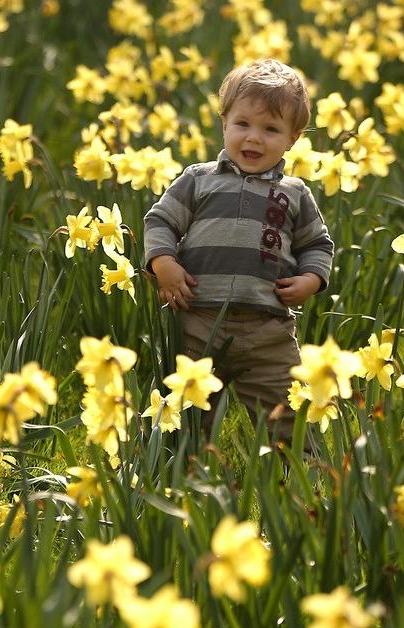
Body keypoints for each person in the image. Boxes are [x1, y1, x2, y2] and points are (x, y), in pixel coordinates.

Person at [142, 58, 335, 449]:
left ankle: (303, 488)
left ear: (293, 138)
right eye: (243, 124)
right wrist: (164, 264)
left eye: (271, 129)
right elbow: (160, 221)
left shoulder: (295, 193)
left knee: (289, 417)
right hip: (197, 320)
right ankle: (173, 479)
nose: (254, 138)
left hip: (268, 331)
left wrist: (311, 280)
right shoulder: (198, 179)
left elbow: (317, 244)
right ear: (224, 122)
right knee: (181, 418)